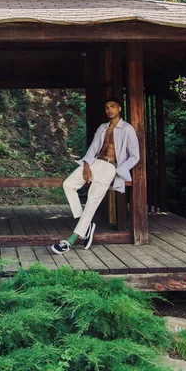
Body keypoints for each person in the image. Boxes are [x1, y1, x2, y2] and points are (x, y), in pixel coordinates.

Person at [51, 96, 139, 254]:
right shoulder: (102, 128)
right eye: (106, 107)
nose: (109, 110)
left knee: (92, 199)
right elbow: (92, 149)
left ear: (119, 108)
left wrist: (120, 169)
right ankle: (85, 224)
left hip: (110, 167)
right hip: (94, 163)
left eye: (112, 106)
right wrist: (86, 165)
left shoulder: (127, 129)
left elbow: (135, 156)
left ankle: (71, 240)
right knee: (68, 184)